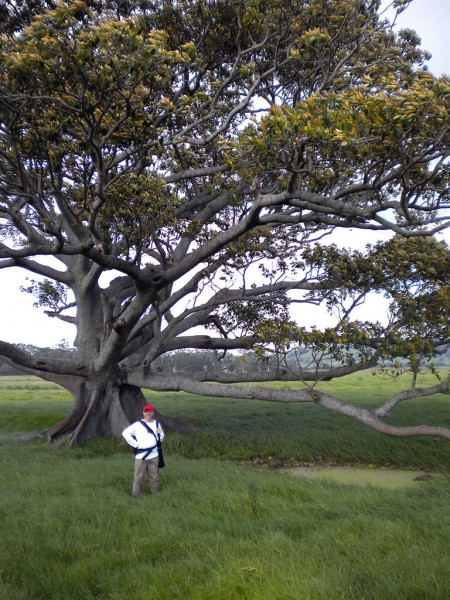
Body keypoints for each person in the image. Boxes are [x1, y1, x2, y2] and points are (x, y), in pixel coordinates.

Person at [122, 404, 165, 497]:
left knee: (154, 477)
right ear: (143, 413)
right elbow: (125, 433)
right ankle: (137, 495)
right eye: (146, 412)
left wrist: (159, 434)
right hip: (141, 456)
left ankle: (155, 493)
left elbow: (160, 438)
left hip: (154, 455)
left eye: (150, 411)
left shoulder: (157, 424)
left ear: (153, 413)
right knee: (139, 477)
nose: (148, 413)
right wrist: (136, 444)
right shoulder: (137, 425)